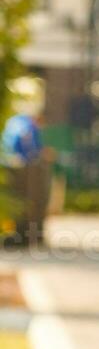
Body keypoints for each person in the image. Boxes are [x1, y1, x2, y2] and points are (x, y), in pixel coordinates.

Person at [1, 105, 52, 247]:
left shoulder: (16, 120)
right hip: (23, 167)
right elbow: (26, 140)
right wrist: (35, 155)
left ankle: (19, 234)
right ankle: (25, 236)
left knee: (16, 200)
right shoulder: (29, 126)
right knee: (29, 200)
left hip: (7, 161)